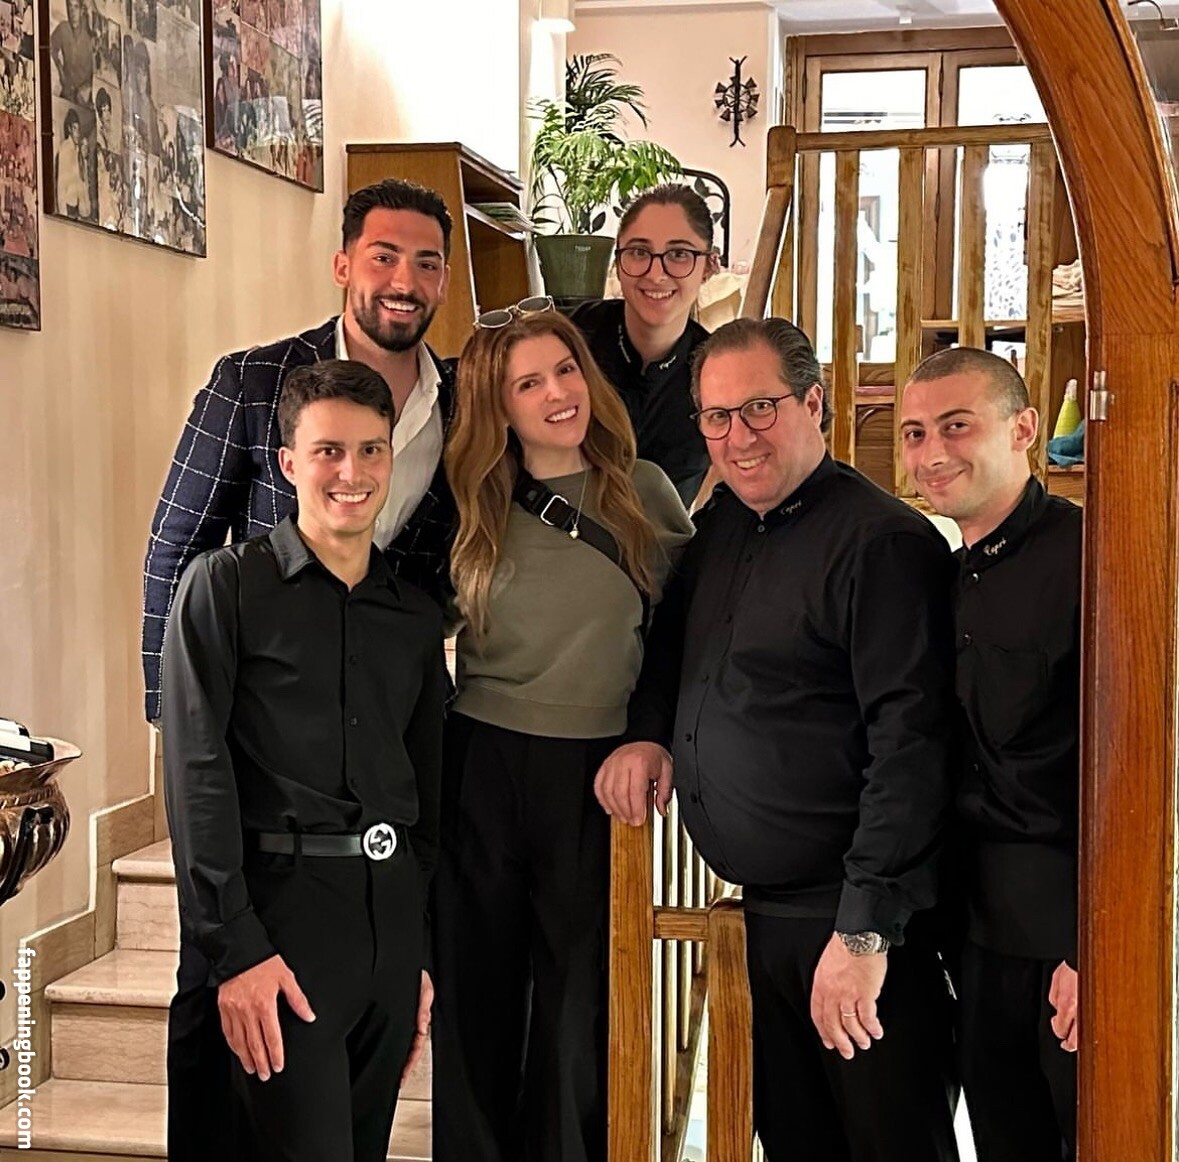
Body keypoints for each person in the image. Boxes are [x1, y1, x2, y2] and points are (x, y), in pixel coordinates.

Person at [143, 177, 457, 1161]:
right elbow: (198, 768)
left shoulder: (414, 612)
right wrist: (230, 939)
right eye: (327, 453)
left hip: (381, 918)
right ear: (289, 463)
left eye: (370, 453)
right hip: (270, 891)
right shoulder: (226, 579)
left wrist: (415, 948)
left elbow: (427, 788)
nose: (351, 473)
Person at [596, 317, 960, 1162]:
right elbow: (671, 653)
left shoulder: (882, 543)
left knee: (890, 1144)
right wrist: (647, 737)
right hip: (767, 919)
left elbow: (911, 747)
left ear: (813, 403)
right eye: (717, 417)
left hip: (857, 923)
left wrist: (863, 933)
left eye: (759, 408)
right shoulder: (723, 524)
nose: (738, 436)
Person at [432, 305, 693, 1162]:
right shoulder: (467, 504)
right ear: (497, 406)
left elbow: (683, 637)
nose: (556, 393)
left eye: (566, 369)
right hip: (481, 760)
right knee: (476, 987)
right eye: (528, 383)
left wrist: (651, 736)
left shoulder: (642, 491)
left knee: (578, 994)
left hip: (596, 770)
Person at [899, 348, 1081, 1162]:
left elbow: (1139, 775)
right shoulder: (935, 577)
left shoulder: (1093, 558)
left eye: (955, 425)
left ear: (1023, 429)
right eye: (914, 432)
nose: (931, 451)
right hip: (971, 936)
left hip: (1069, 937)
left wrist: (1095, 947)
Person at [572, 183, 718, 508]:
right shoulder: (570, 340)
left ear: (708, 266)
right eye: (639, 252)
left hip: (662, 538)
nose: (656, 274)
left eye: (679, 254)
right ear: (617, 262)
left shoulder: (716, 374)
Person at [49, 0, 93, 106]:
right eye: (70, 7)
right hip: (67, 90)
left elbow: (96, 69)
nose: (72, 12)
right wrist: (60, 70)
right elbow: (50, 47)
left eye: (76, 7)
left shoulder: (89, 35)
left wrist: (88, 88)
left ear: (82, 10)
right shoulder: (63, 28)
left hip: (84, 96)